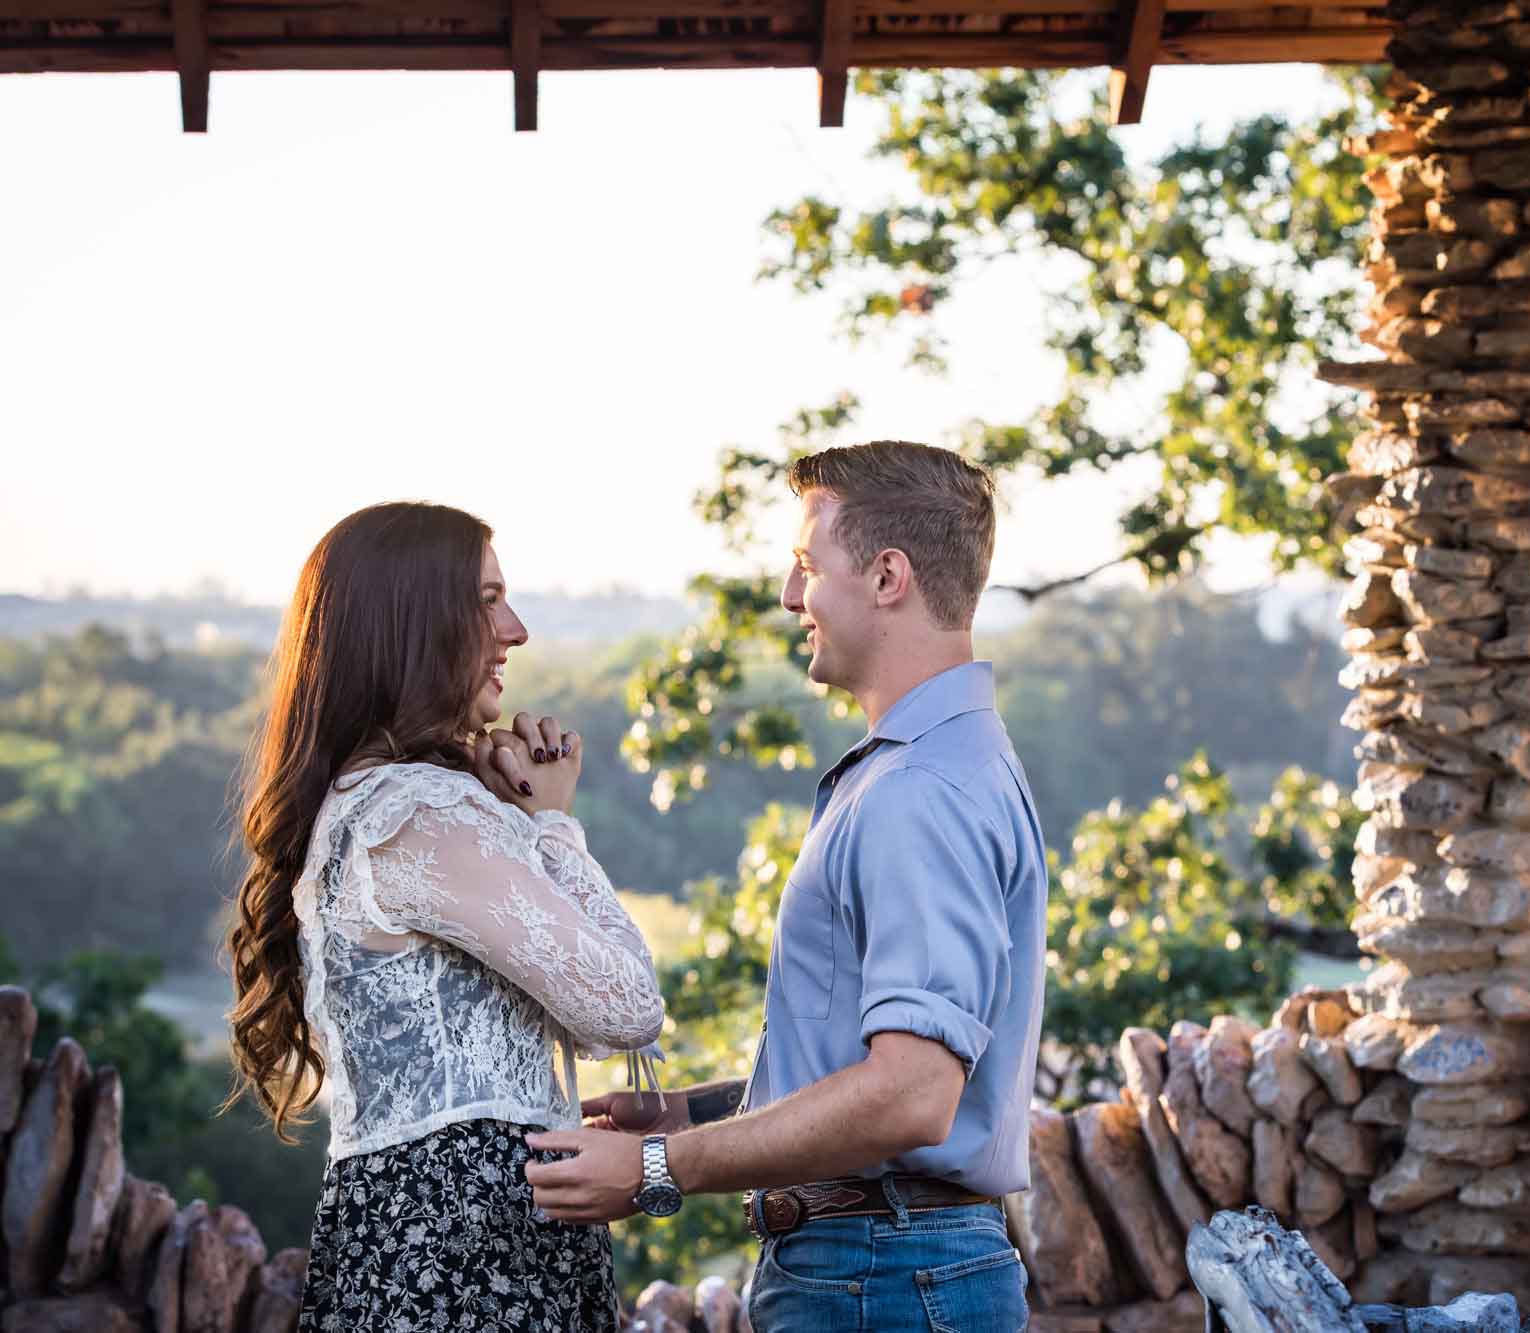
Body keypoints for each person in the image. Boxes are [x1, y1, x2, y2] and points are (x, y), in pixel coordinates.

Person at [524, 442, 1049, 1332]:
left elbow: (913, 1093)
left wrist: (659, 1169)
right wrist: (688, 1114)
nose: (787, 594)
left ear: (888, 576)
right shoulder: (941, 767)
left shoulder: (923, 789)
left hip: (879, 1280)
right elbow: (875, 1067)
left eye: (807, 564)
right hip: (886, 1268)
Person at [223, 500, 665, 1332]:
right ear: (413, 623)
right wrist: (554, 825)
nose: (517, 628)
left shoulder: (372, 803)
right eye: (488, 599)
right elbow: (628, 1006)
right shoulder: (418, 813)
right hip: (468, 1259)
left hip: (419, 1243)